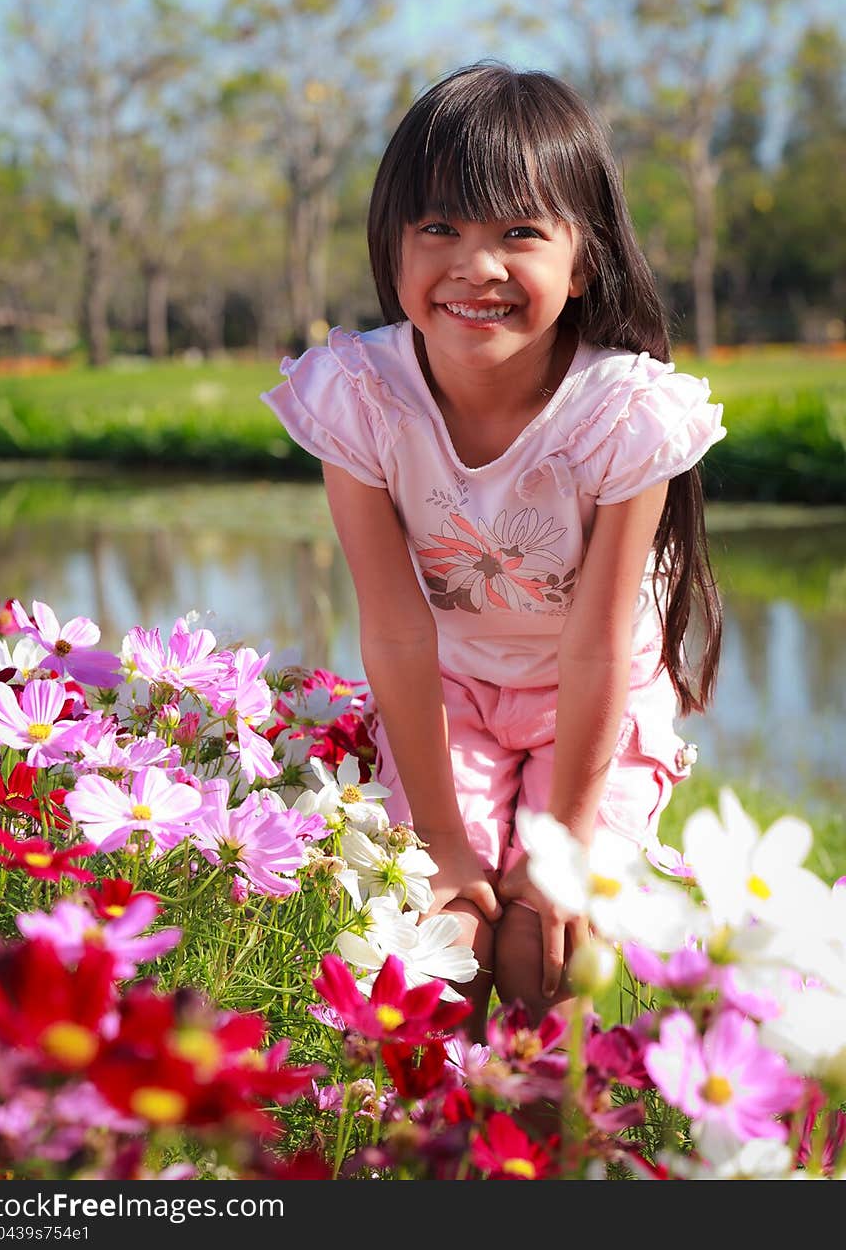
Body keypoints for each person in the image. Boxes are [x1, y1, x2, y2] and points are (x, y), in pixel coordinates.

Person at [261, 61, 726, 1038]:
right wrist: (438, 841)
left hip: (592, 696)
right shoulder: (362, 396)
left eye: (518, 232)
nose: (476, 266)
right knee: (444, 942)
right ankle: (431, 1139)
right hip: (452, 690)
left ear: (582, 261)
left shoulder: (619, 415)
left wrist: (556, 847)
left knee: (540, 947)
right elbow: (393, 629)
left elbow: (598, 647)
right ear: (393, 247)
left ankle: (552, 1138)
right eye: (440, 229)